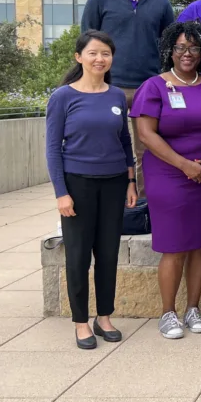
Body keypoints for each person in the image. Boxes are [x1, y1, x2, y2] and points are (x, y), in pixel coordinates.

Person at [131, 21, 201, 340]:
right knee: (174, 245)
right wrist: (184, 165)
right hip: (168, 175)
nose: (187, 53)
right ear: (170, 51)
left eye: (194, 48)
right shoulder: (154, 86)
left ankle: (193, 308)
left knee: (200, 244)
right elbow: (146, 134)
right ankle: (168, 313)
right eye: (181, 48)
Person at [45, 30, 137, 349]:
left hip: (113, 183)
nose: (100, 59)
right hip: (77, 184)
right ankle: (81, 322)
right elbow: (52, 149)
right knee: (79, 256)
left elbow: (125, 141)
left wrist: (130, 181)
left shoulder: (116, 96)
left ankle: (104, 317)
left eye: (106, 54)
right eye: (93, 53)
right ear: (79, 57)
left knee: (108, 253)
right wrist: (61, 193)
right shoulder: (63, 97)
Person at [80, 0, 175, 194]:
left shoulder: (161, 2)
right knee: (108, 149)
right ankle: (115, 203)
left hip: (149, 88)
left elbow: (170, 47)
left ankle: (142, 206)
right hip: (110, 87)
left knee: (148, 151)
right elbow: (86, 44)